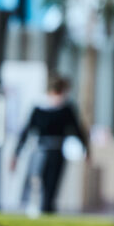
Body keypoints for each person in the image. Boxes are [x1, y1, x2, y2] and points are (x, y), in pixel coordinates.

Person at [11, 74, 89, 214]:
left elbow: (78, 130)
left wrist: (86, 150)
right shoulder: (39, 109)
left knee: (51, 188)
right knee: (34, 185)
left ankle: (48, 211)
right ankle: (33, 211)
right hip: (40, 151)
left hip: (57, 152)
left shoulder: (66, 109)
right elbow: (27, 131)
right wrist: (16, 154)